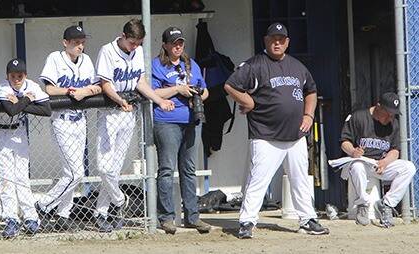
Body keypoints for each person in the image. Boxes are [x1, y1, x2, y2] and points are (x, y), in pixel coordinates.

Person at [223, 22, 329, 239]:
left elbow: (311, 90)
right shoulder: (255, 65)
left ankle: (307, 219)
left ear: (287, 42)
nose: (277, 43)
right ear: (266, 41)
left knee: (299, 179)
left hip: (295, 135)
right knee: (258, 180)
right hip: (266, 135)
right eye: (273, 39)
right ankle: (247, 221)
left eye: (281, 39)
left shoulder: (298, 67)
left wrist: (308, 115)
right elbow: (230, 84)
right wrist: (248, 101)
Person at [94, 19, 175, 232]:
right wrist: (120, 101)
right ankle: (120, 200)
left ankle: (103, 213)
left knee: (115, 168)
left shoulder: (138, 52)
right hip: (110, 112)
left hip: (129, 114)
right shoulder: (107, 51)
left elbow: (140, 82)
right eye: (132, 42)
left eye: (138, 43)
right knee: (104, 167)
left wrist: (160, 100)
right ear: (123, 35)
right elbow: (105, 84)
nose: (135, 46)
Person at [35, 25, 101, 232]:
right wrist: (72, 91)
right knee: (75, 173)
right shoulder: (55, 58)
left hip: (80, 120)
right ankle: (42, 205)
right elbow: (49, 89)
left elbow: (99, 86)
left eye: (82, 42)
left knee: (70, 172)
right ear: (66, 43)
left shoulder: (87, 60)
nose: (80, 46)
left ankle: (63, 214)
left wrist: (86, 91)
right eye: (76, 42)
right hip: (61, 120)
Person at [151, 27, 211, 234]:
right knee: (167, 169)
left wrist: (197, 96)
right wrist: (178, 89)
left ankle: (192, 217)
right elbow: (153, 92)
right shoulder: (156, 65)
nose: (178, 46)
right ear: (165, 45)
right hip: (167, 121)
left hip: (192, 121)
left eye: (181, 43)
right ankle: (166, 218)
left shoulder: (190, 64)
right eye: (174, 43)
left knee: (189, 170)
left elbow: (206, 91)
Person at [0, 58, 52, 238]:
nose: (16, 79)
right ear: (7, 76)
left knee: (21, 178)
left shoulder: (31, 85)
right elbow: (11, 111)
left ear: (25, 75)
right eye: (13, 76)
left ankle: (31, 218)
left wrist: (21, 104)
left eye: (20, 75)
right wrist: (27, 99)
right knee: (6, 179)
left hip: (19, 133)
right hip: (1, 135)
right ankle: (11, 219)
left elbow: (47, 110)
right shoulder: (4, 87)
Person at [339, 92, 416, 228]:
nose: (390, 117)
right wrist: (353, 151)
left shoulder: (393, 123)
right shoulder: (359, 117)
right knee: (357, 166)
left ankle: (386, 204)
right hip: (361, 162)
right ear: (378, 106)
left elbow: (395, 150)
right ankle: (362, 204)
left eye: (393, 114)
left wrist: (386, 162)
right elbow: (344, 141)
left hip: (380, 165)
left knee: (409, 167)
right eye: (387, 113)